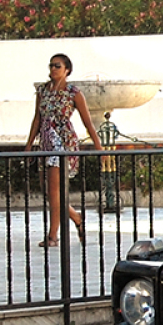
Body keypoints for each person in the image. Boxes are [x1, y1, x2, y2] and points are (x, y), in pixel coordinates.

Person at [25, 53, 104, 247]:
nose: (53, 69)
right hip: (46, 142)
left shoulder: (73, 92)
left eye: (57, 66)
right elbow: (37, 118)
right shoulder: (43, 91)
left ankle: (53, 236)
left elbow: (87, 123)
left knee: (54, 190)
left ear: (67, 70)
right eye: (51, 65)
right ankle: (77, 218)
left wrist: (99, 147)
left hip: (63, 143)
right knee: (49, 190)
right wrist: (29, 145)